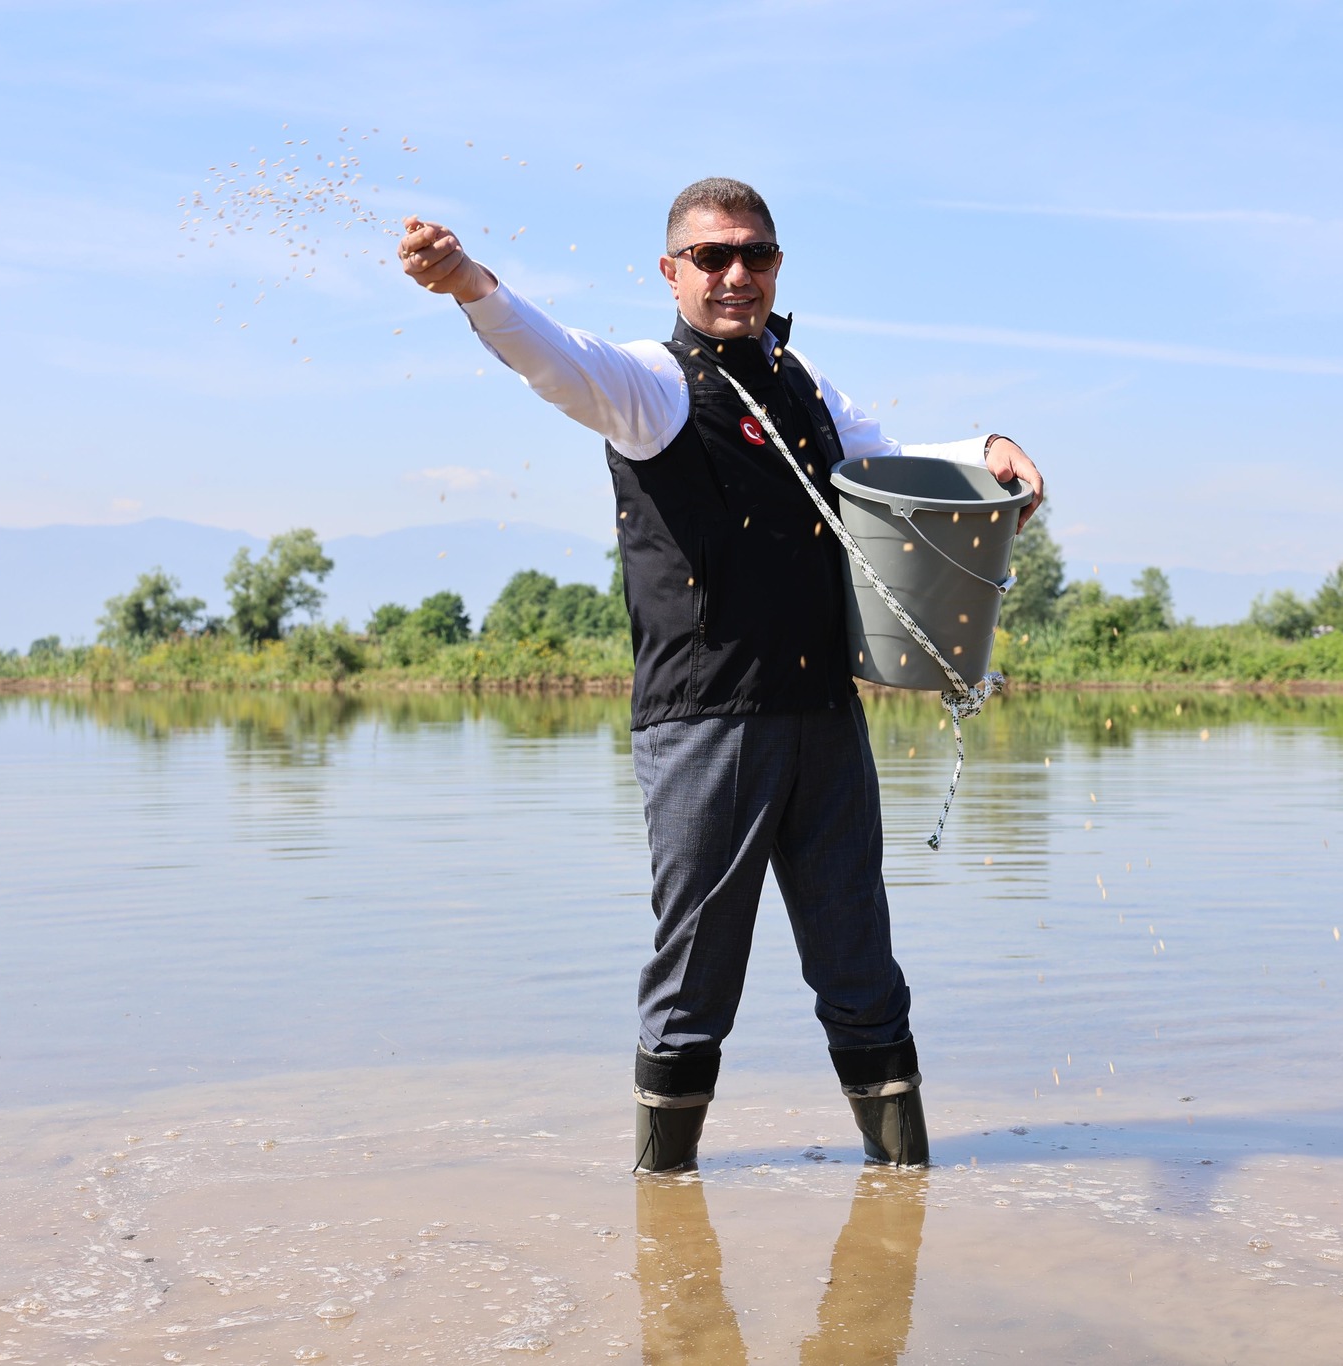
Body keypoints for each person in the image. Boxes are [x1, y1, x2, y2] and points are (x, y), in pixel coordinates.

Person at [398, 177, 1045, 1172]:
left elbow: (890, 464)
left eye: (754, 254)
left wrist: (987, 447)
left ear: (777, 266)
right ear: (672, 272)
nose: (735, 273)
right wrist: (470, 285)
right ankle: (665, 1197)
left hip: (823, 712)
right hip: (703, 723)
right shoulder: (650, 384)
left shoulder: (802, 379)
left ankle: (903, 1176)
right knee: (694, 979)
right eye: (712, 257)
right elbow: (553, 357)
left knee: (860, 962)